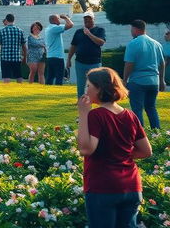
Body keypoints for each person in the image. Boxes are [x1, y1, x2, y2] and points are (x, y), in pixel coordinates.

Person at [77, 67, 152, 228]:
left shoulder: (96, 115)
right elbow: (146, 151)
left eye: (88, 86)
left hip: (103, 186)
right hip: (131, 186)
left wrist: (83, 114)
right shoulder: (130, 115)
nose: (86, 90)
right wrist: (120, 153)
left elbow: (86, 149)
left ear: (100, 89)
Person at [123, 19, 165, 129]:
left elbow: (129, 64)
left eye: (131, 29)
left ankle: (140, 138)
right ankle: (157, 134)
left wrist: (124, 80)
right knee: (151, 108)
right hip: (154, 82)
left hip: (138, 81)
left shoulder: (132, 44)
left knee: (137, 110)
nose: (131, 31)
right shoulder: (156, 44)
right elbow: (162, 63)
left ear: (136, 29)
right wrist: (161, 80)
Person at [67, 13, 107, 99]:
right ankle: (81, 101)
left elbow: (101, 42)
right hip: (80, 62)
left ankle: (96, 100)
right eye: (85, 19)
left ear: (93, 19)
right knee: (81, 84)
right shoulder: (78, 32)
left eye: (89, 19)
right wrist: (69, 59)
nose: (87, 20)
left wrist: (89, 34)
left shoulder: (100, 30)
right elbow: (73, 46)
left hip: (94, 62)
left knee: (96, 83)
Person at [0, 14, 27, 83]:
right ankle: (20, 90)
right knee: (19, 76)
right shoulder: (20, 31)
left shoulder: (2, 31)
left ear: (6, 20)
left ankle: (6, 90)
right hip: (17, 58)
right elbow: (24, 46)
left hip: (5, 58)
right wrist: (25, 57)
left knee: (6, 77)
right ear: (14, 20)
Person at [44, 14, 73, 85]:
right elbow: (70, 25)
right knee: (59, 76)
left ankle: (47, 91)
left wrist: (66, 18)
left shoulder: (48, 28)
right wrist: (65, 18)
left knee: (50, 76)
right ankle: (57, 90)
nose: (59, 20)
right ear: (54, 20)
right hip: (57, 57)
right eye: (58, 18)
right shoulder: (54, 28)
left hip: (50, 56)